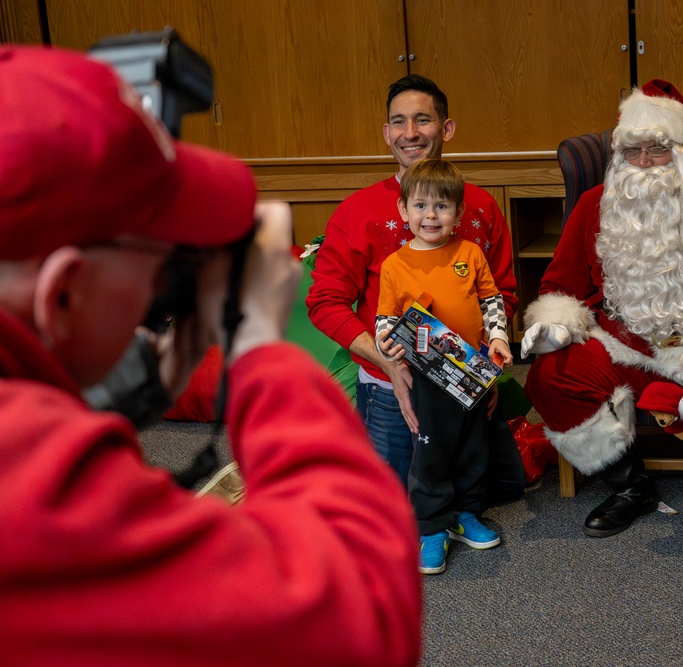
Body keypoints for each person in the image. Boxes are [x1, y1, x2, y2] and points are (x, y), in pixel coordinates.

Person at [0, 46, 420, 666]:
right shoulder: (32, 490)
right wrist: (257, 344)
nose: (164, 285)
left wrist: (135, 387)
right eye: (161, 259)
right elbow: (360, 621)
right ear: (63, 291)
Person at [521, 80, 683, 540]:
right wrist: (555, 324)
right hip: (625, 348)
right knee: (550, 376)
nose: (642, 163)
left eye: (657, 150)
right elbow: (561, 283)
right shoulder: (593, 206)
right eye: (631, 151)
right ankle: (628, 484)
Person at [306, 74, 520, 489]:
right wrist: (383, 358)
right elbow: (325, 302)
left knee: (487, 489)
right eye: (399, 122)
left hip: (465, 377)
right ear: (386, 133)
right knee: (395, 508)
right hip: (391, 385)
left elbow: (502, 293)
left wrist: (482, 369)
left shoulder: (482, 206)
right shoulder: (357, 211)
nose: (410, 134)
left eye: (422, 120)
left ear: (446, 128)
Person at [376, 158, 514, 574]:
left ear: (458, 213)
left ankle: (465, 512)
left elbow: (491, 301)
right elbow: (385, 321)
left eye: (441, 207)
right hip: (428, 375)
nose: (430, 216)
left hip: (471, 370)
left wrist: (499, 337)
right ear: (403, 211)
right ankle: (432, 525)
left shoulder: (469, 253)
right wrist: (390, 349)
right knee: (431, 450)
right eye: (420, 206)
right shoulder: (395, 265)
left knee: (474, 443)